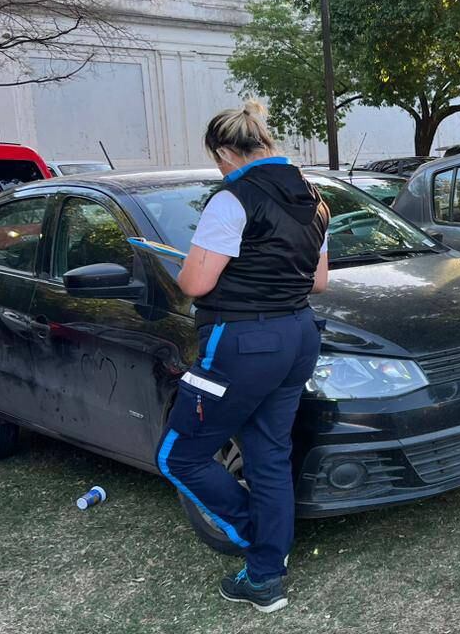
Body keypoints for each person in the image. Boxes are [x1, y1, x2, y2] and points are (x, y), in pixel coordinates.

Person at [156, 101, 330, 612]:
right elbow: (318, 282)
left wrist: (188, 265)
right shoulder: (315, 199)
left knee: (178, 454)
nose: (218, 169)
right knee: (268, 453)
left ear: (225, 153)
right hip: (298, 334)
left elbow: (195, 283)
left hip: (241, 343)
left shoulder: (231, 199)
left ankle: (259, 538)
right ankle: (265, 574)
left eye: (217, 161)